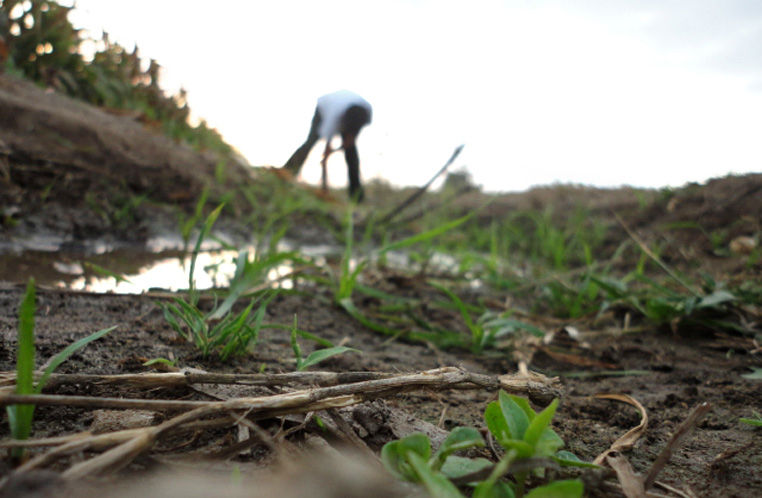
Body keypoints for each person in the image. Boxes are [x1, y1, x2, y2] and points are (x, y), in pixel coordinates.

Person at [283, 90, 372, 202]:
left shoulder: (366, 113)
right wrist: (326, 157)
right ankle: (287, 172)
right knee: (311, 141)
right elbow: (327, 148)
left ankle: (356, 196)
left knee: (351, 154)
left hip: (348, 111)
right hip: (324, 107)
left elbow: (353, 132)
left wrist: (349, 141)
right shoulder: (334, 117)